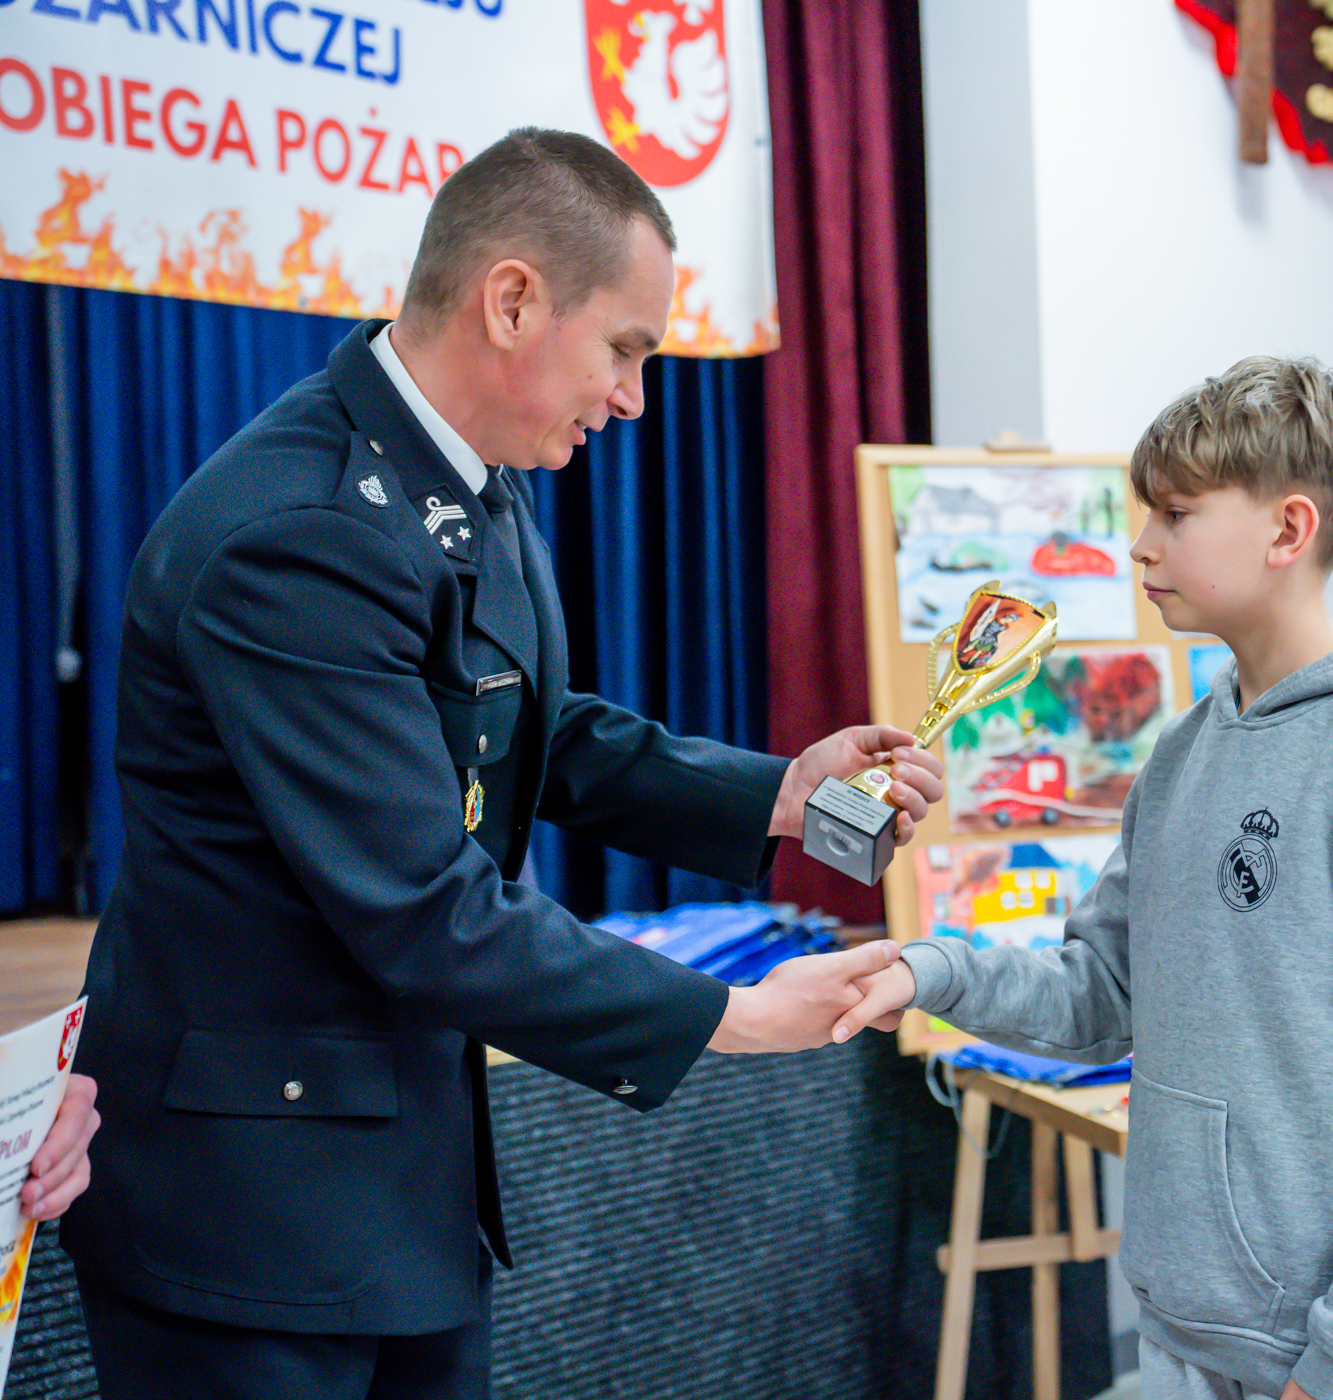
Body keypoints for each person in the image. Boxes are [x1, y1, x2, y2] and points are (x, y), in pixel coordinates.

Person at [60, 127, 943, 1400]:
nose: (635, 398)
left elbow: (537, 726)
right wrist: (735, 1014)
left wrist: (780, 796)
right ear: (515, 300)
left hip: (397, 1167)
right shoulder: (298, 534)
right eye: (624, 349)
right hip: (249, 1211)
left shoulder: (466, 479)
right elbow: (426, 905)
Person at [840, 357, 1333, 1400]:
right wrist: (927, 972)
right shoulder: (1181, 755)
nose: (1141, 544)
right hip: (1185, 1326)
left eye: (1176, 513)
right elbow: (1101, 993)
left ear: (1288, 530)